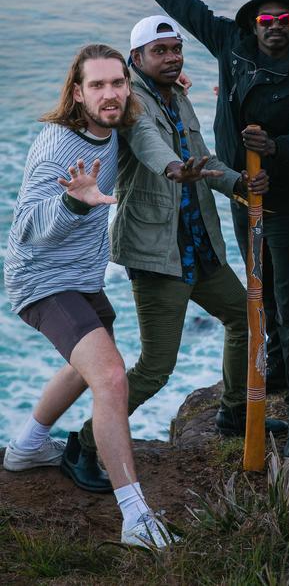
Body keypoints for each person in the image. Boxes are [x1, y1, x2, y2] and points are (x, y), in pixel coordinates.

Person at [102, 0, 289, 460]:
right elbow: (183, 3)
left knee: (286, 309)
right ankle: (247, 397)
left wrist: (276, 149)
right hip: (232, 196)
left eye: (284, 17)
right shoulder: (229, 43)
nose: (274, 23)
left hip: (279, 204)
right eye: (266, 15)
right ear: (254, 22)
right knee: (255, 304)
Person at [73, 16, 286, 471]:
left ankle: (233, 412)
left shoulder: (179, 94)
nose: (172, 58)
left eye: (176, 49)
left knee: (244, 319)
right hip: (158, 255)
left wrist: (241, 184)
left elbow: (202, 159)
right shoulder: (131, 102)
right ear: (137, 60)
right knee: (155, 369)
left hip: (200, 244)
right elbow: (150, 144)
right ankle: (85, 445)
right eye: (160, 51)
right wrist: (174, 169)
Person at [3, 45, 176, 547]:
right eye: (96, 86)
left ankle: (28, 447)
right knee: (111, 375)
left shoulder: (114, 125)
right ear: (77, 93)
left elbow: (146, 95)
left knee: (88, 366)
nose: (110, 94)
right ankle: (135, 518)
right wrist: (72, 203)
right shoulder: (58, 148)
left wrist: (169, 87)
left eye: (117, 83)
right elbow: (28, 228)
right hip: (42, 279)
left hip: (80, 277)